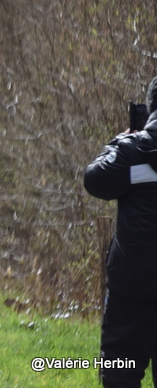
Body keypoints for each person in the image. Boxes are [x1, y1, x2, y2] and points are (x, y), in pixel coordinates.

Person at [85, 76, 157, 388]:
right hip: (134, 281)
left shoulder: (132, 151)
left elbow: (95, 181)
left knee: (120, 367)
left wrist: (120, 140)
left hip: (133, 282)